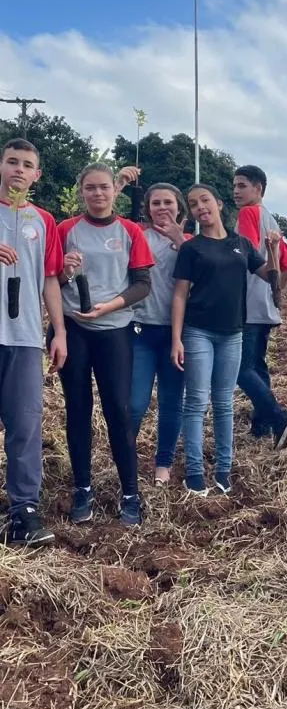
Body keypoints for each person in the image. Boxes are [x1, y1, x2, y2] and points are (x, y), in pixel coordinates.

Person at [57, 162, 154, 526]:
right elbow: (52, 277)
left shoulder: (130, 230)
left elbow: (143, 283)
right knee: (77, 408)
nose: (97, 194)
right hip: (74, 329)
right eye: (90, 188)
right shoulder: (66, 229)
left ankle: (131, 492)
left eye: (104, 188)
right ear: (82, 192)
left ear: (116, 190)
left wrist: (109, 306)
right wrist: (66, 269)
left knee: (118, 409)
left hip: (114, 329)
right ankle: (83, 488)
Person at [171, 184, 281, 496]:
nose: (200, 207)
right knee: (196, 401)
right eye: (193, 204)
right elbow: (180, 294)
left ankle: (223, 470)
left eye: (204, 200)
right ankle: (194, 473)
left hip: (233, 333)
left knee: (223, 403)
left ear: (218, 204)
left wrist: (272, 247)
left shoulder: (242, 244)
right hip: (198, 331)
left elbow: (270, 276)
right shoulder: (192, 248)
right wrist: (176, 338)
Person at [0, 138, 67, 545]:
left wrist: (58, 331)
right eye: (12, 161)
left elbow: (50, 279)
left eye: (27, 164)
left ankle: (23, 512)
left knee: (25, 427)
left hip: (24, 338)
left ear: (36, 175)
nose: (18, 169)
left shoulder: (44, 221)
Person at [233, 165, 287, 449]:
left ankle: (278, 418)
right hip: (265, 305)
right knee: (257, 364)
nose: (236, 191)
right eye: (234, 185)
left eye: (242, 185)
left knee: (241, 368)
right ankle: (261, 426)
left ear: (258, 188)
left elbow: (242, 254)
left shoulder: (249, 214)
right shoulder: (270, 219)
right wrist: (275, 292)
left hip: (247, 302)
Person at [130, 183, 189, 488]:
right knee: (135, 403)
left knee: (170, 402)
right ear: (147, 207)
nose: (162, 207)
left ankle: (163, 463)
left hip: (176, 335)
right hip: (140, 330)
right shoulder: (137, 235)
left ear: (179, 207)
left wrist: (180, 240)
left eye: (168, 202)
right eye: (156, 202)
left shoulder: (190, 242)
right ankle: (126, 460)